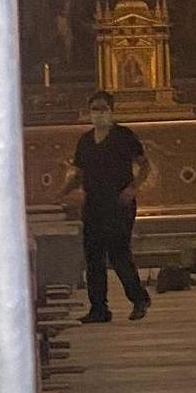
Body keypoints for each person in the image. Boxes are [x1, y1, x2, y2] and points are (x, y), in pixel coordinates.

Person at [58, 91, 152, 322]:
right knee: (94, 257)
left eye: (102, 109)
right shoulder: (86, 141)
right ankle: (99, 308)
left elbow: (144, 164)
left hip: (119, 202)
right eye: (94, 109)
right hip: (94, 204)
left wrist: (133, 188)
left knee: (119, 254)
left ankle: (139, 298)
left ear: (111, 111)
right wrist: (61, 193)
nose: (98, 114)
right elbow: (79, 173)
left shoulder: (124, 136)